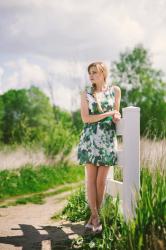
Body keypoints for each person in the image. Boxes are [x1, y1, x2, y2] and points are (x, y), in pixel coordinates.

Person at [77, 61, 121, 233]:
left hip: (107, 140)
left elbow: (116, 113)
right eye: (90, 73)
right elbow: (86, 119)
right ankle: (95, 217)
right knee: (91, 181)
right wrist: (109, 114)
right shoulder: (85, 94)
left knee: (101, 181)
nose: (91, 75)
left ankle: (94, 216)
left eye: (95, 72)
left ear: (103, 73)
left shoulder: (115, 91)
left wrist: (116, 116)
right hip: (90, 141)